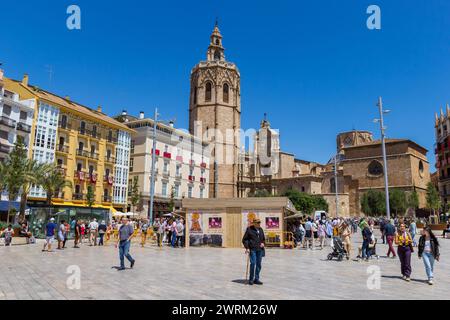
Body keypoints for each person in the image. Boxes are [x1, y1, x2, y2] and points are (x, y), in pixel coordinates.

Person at [242, 218, 266, 285]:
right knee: (253, 263)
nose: (259, 224)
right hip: (252, 249)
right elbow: (244, 239)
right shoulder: (249, 229)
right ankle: (251, 279)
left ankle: (257, 279)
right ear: (254, 223)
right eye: (258, 223)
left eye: (259, 223)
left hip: (260, 250)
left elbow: (263, 239)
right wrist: (247, 247)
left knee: (258, 264)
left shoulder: (260, 229)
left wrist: (263, 243)